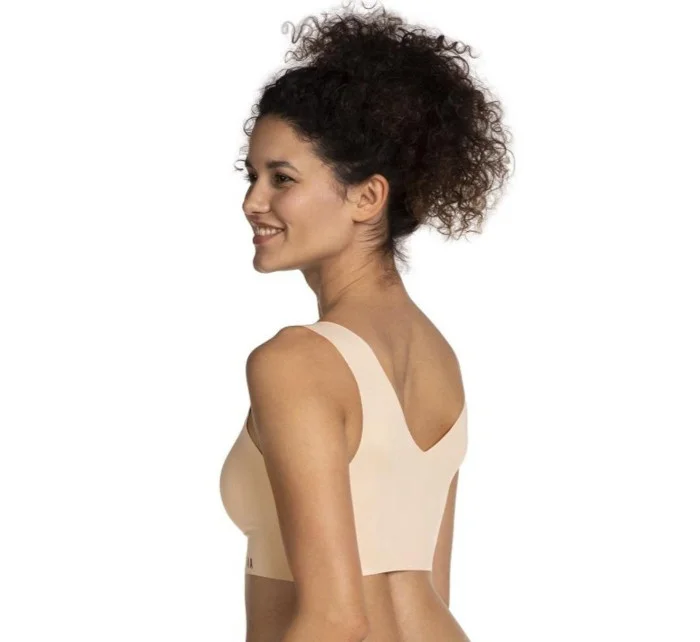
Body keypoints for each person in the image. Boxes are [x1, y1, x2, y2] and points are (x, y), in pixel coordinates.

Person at [220, 1, 513, 639]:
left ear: (367, 196)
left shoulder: (295, 362)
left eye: (281, 178)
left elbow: (335, 620)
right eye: (251, 175)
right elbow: (432, 587)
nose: (252, 201)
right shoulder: (437, 357)